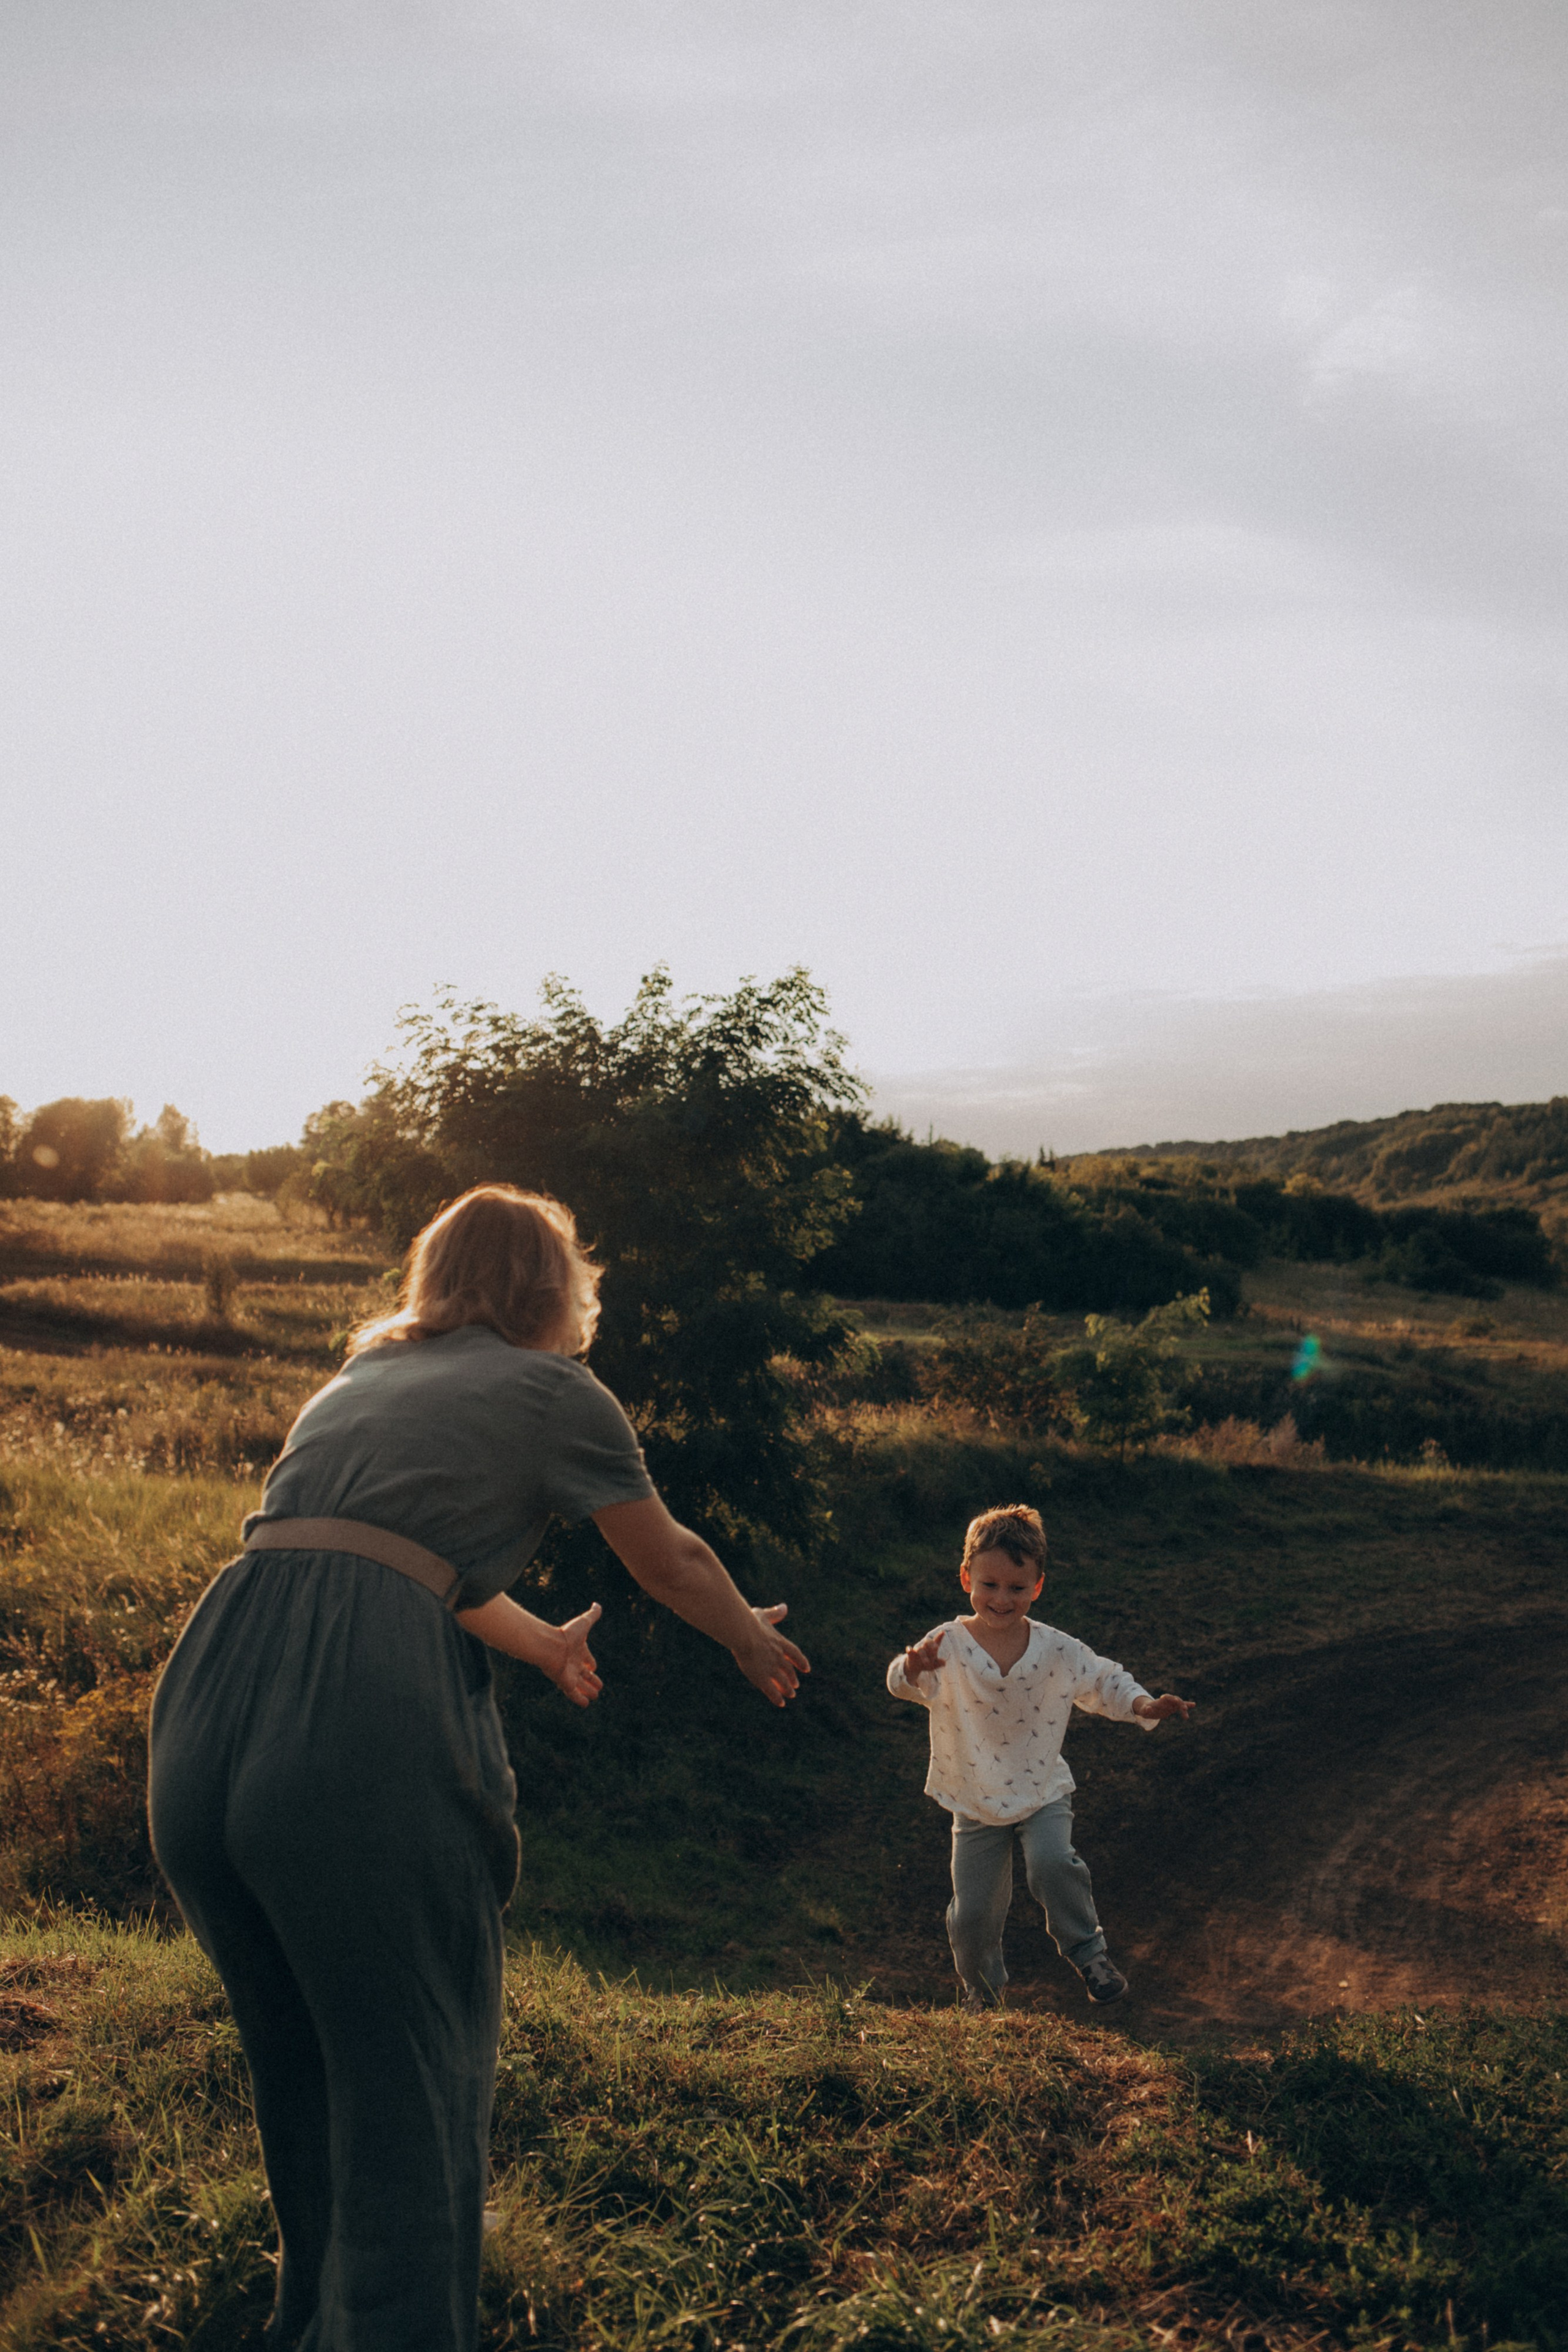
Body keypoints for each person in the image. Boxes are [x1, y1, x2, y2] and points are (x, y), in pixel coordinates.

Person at [148, 1183, 809, 2352]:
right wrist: (748, 1638)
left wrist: (543, 1642)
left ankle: (312, 2325)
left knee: (299, 2062)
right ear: (555, 1287)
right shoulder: (555, 1391)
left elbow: (394, 1559)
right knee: (410, 2075)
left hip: (207, 1703)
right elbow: (670, 1558)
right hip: (347, 1722)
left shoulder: (361, 1378)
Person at [886, 1503, 1190, 2011]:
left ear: (1038, 1586)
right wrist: (912, 1668)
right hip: (974, 1796)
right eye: (989, 1585)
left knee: (1052, 1864)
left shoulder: (1057, 1649)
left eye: (1017, 1588)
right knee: (973, 1913)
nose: (1002, 1599)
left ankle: (1090, 1955)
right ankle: (981, 1995)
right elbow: (902, 1684)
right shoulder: (946, 1644)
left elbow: (1103, 1680)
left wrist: (1143, 1704)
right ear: (966, 1578)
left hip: (1042, 1787)